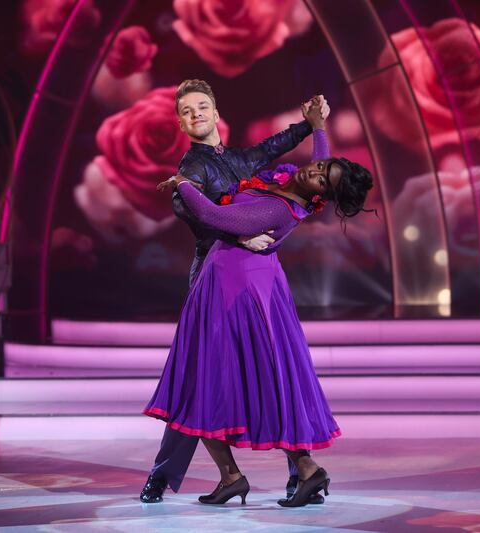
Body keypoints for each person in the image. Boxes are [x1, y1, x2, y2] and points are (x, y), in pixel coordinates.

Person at [144, 108, 374, 507]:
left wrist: (183, 183)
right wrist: (319, 128)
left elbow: (214, 214)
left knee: (204, 383)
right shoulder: (297, 185)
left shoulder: (277, 209)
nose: (312, 171)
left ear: (321, 196)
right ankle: (295, 472)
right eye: (320, 167)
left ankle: (243, 476)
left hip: (232, 292)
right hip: (237, 283)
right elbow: (322, 164)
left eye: (321, 178)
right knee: (233, 381)